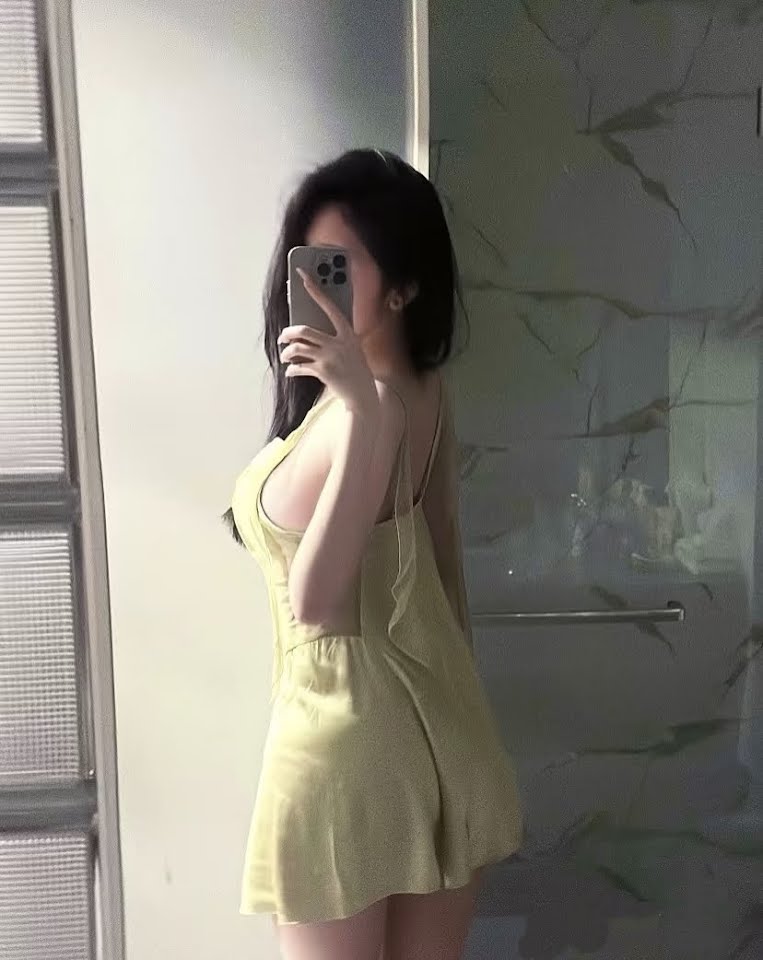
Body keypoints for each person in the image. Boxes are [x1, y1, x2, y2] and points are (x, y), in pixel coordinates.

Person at [224, 148, 523, 960]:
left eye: (339, 267)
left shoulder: (370, 405)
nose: (316, 288)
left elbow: (314, 602)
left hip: (341, 744)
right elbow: (445, 563)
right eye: (309, 264)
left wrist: (357, 406)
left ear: (403, 288)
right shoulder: (423, 392)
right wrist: (457, 716)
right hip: (440, 729)